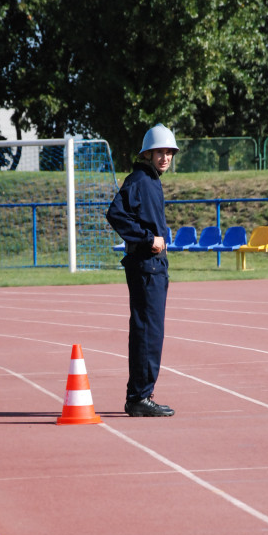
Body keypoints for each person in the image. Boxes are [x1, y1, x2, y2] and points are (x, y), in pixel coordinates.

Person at [106, 123, 178, 417]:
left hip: (152, 266)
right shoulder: (140, 180)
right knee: (148, 331)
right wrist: (148, 239)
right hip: (146, 266)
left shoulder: (150, 180)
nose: (165, 157)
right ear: (147, 153)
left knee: (148, 330)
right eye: (159, 152)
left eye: (169, 152)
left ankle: (140, 394)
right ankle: (140, 396)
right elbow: (115, 214)